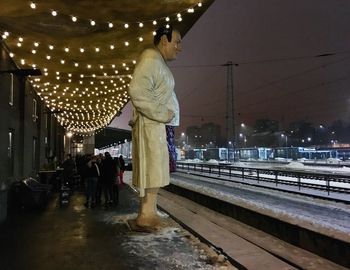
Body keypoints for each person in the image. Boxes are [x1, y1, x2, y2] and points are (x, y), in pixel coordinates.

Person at [128, 24, 182, 229]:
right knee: (153, 170)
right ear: (164, 40)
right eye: (177, 42)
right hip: (153, 125)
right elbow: (137, 90)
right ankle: (147, 214)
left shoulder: (156, 61)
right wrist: (161, 114)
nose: (180, 47)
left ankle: (149, 211)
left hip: (157, 125)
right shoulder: (151, 60)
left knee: (156, 170)